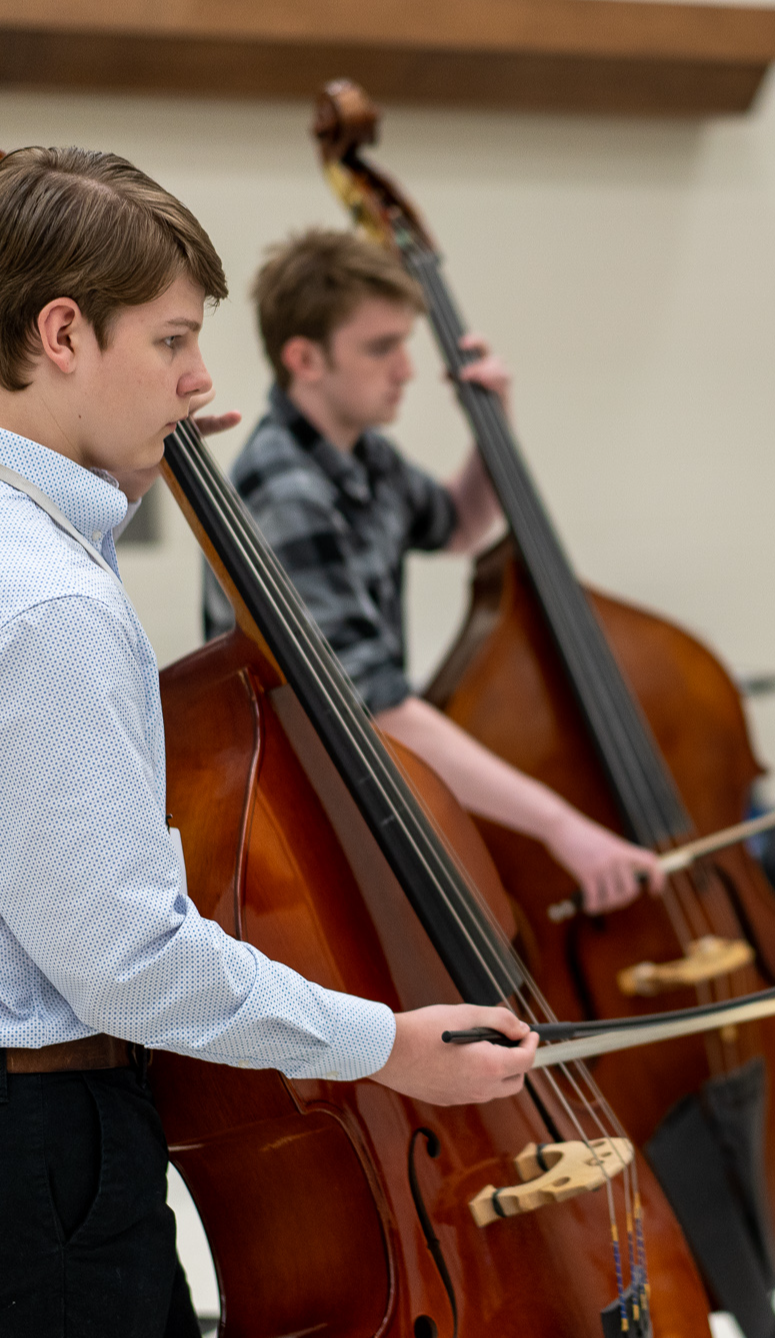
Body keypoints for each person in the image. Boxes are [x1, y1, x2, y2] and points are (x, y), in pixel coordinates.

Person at [0, 147, 536, 1338]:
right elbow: (131, 962)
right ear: (61, 334)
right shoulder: (44, 605)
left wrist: (142, 445)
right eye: (172, 342)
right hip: (20, 1132)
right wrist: (387, 1046)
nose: (199, 382)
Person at [204, 230, 662, 914]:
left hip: (364, 783)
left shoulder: (366, 458)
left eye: (405, 343)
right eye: (381, 347)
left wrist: (491, 427)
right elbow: (375, 706)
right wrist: (561, 826)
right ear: (305, 358)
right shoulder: (288, 490)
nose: (407, 369)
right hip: (305, 811)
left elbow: (456, 524)